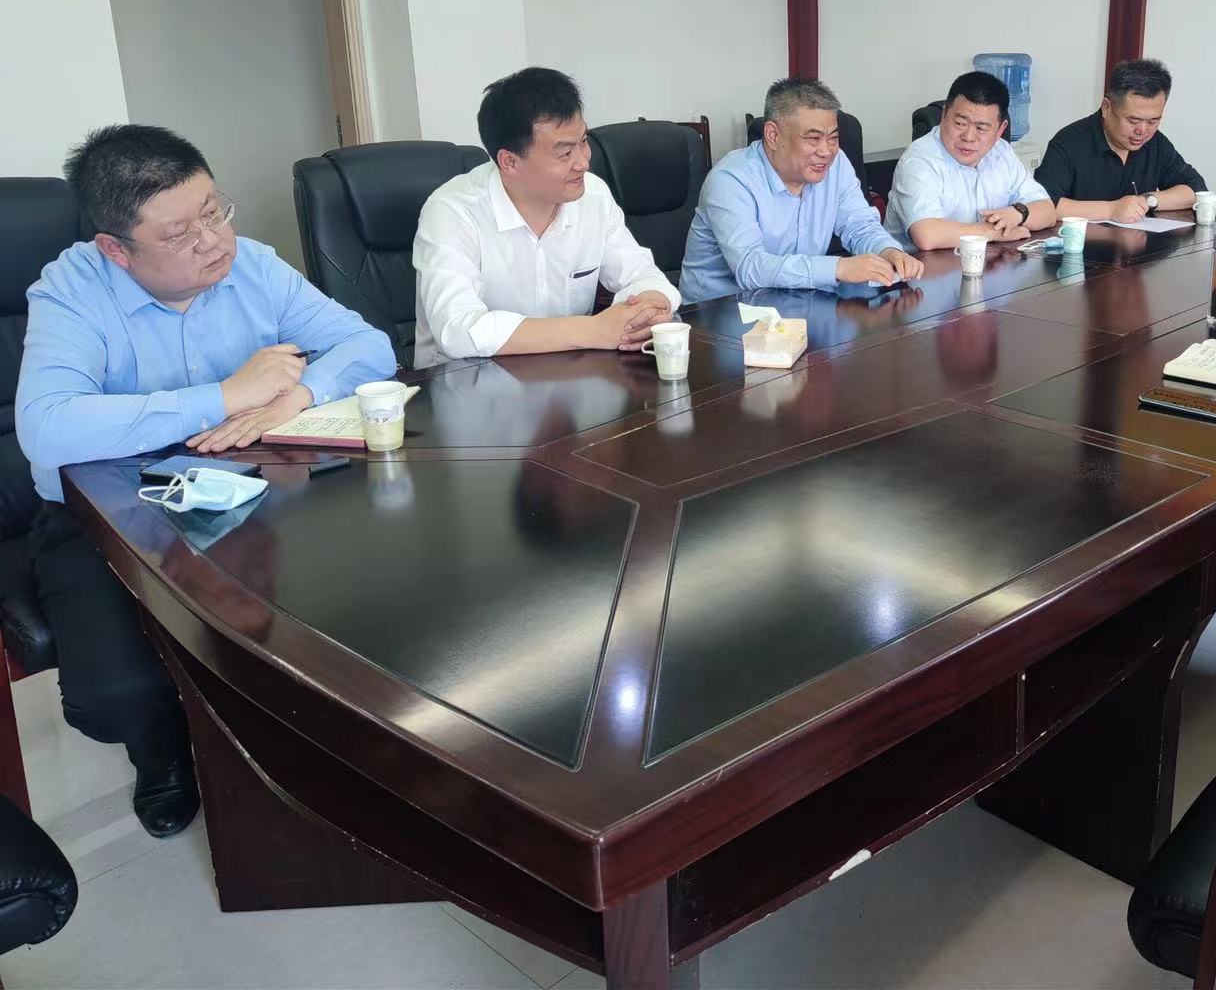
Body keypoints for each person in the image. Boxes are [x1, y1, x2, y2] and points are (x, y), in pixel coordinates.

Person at [15, 124, 397, 836]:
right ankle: (161, 753)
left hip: (246, 487)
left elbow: (367, 344)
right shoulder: (71, 292)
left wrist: (295, 396)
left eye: (215, 211)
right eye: (180, 233)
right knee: (116, 696)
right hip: (110, 510)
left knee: (357, 606)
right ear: (115, 249)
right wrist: (225, 396)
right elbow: (47, 427)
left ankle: (299, 752)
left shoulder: (253, 266)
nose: (213, 240)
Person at [413, 67, 680, 369]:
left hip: (570, 374)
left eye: (583, 142)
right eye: (565, 154)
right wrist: (594, 329)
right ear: (510, 162)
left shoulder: (592, 195)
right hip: (466, 380)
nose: (583, 163)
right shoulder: (452, 212)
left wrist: (649, 307)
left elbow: (643, 274)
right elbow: (458, 330)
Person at [680, 77, 923, 303]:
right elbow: (750, 267)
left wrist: (887, 250)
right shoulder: (730, 180)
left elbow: (860, 226)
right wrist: (837, 268)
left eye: (833, 138)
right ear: (773, 135)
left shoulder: (836, 164)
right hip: (718, 314)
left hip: (796, 305)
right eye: (813, 139)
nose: (826, 151)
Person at [884, 70, 1057, 247]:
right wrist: (994, 232)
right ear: (944, 115)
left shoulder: (1002, 152)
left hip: (988, 259)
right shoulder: (919, 160)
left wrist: (1019, 213)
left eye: (981, 128)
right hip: (921, 263)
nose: (968, 137)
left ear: (1000, 130)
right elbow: (927, 235)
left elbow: (1048, 211)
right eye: (960, 123)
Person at [1036, 58, 1206, 224]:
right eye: (1133, 120)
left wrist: (1146, 200)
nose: (1142, 130)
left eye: (1153, 121)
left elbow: (1197, 189)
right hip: (1083, 242)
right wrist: (1111, 210)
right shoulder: (1069, 143)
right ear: (1106, 108)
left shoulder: (1155, 142)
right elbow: (1042, 205)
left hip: (1141, 241)